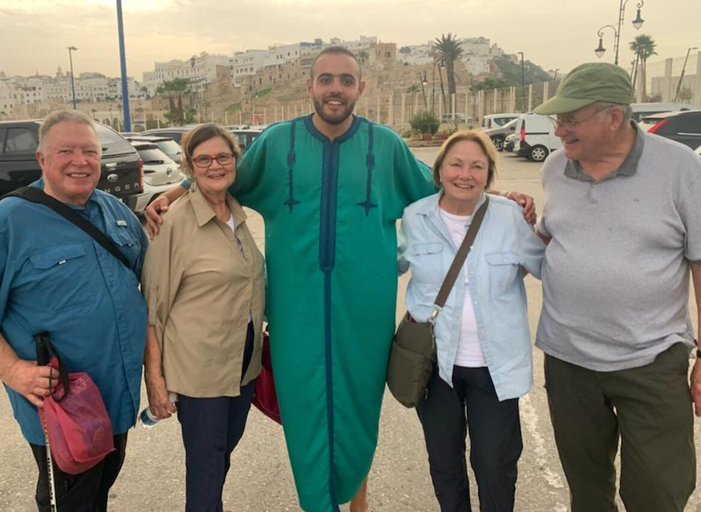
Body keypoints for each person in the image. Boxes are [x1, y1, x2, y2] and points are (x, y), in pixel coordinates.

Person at [145, 47, 536, 512]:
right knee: (306, 415)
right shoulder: (277, 142)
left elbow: (443, 186)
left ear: (360, 88)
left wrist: (502, 196)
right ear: (310, 86)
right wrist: (177, 188)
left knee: (356, 413)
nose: (336, 88)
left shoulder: (385, 144)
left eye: (346, 80)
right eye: (326, 79)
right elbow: (225, 177)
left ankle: (356, 504)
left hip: (363, 311)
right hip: (296, 312)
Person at [0, 110, 148, 511]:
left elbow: (152, 283)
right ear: (41, 159)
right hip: (63, 403)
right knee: (68, 501)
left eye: (89, 151)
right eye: (65, 150)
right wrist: (13, 371)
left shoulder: (116, 212)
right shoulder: (6, 223)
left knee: (97, 489)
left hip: (116, 394)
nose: (79, 161)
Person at [533, 62, 701, 512]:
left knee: (657, 492)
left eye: (571, 118)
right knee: (587, 492)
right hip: (568, 362)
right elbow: (549, 239)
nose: (559, 128)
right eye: (558, 118)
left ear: (613, 117)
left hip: (650, 359)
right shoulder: (554, 167)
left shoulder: (680, 167)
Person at [398, 130, 545, 512]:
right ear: (440, 170)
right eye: (456, 164)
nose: (465, 174)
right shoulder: (416, 216)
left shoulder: (509, 216)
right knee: (445, 465)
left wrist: (542, 221)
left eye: (477, 166)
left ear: (489, 174)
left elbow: (546, 266)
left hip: (495, 367)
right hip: (435, 366)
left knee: (495, 465)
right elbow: (382, 267)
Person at [140, 124, 265, 511]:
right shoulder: (173, 222)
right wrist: (156, 381)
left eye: (223, 157)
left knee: (220, 461)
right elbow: (153, 309)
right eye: (204, 159)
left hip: (242, 366)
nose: (215, 165)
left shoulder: (237, 213)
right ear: (190, 166)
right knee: (206, 470)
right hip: (199, 373)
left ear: (235, 161)